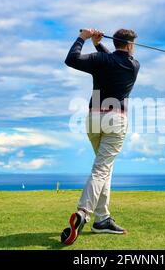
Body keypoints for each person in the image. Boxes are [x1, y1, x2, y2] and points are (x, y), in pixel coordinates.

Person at [61, 28, 140, 245]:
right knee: (102, 169)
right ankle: (84, 213)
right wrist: (95, 43)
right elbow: (113, 60)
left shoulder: (101, 59)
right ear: (130, 45)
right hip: (115, 120)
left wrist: (84, 39)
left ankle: (102, 219)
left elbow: (72, 59)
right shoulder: (134, 65)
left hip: (93, 119)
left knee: (104, 169)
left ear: (114, 43)